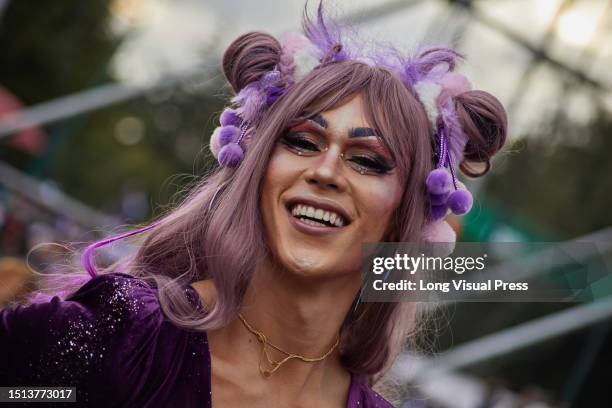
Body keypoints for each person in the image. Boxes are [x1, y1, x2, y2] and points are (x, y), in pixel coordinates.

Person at [0, 3, 507, 407]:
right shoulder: (118, 338)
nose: (325, 172)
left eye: (369, 161)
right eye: (303, 143)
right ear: (257, 168)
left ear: (409, 217)